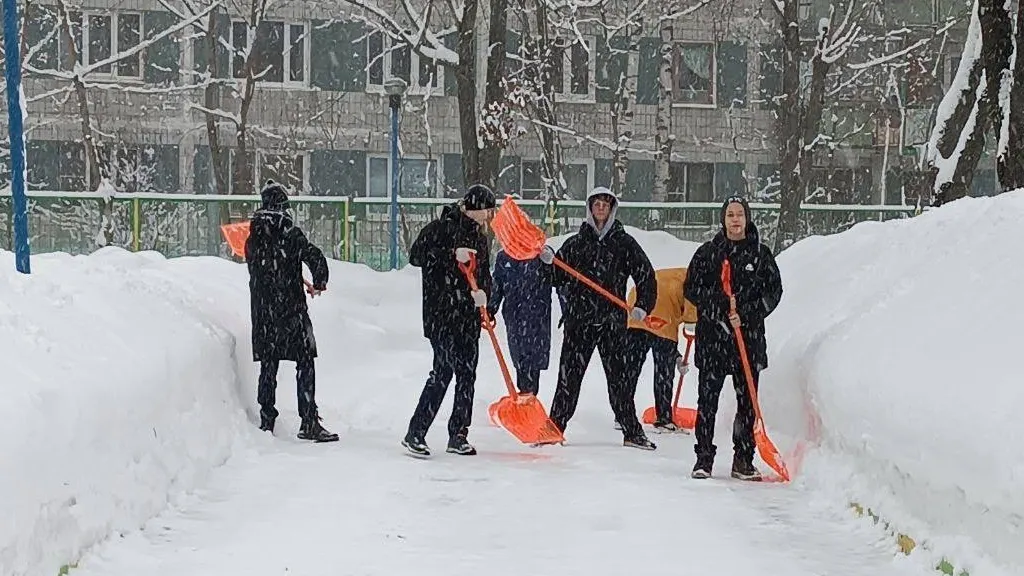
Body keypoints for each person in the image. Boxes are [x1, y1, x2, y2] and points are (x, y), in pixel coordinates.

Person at [548, 186, 658, 450]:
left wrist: (643, 306)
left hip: (612, 322)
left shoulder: (624, 243)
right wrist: (549, 262)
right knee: (568, 378)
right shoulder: (576, 243)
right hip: (580, 321)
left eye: (605, 204)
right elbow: (556, 278)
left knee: (619, 380)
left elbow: (646, 275)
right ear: (589, 208)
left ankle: (632, 431)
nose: (600, 208)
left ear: (611, 209)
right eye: (596, 204)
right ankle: (553, 429)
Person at [684, 195, 783, 481]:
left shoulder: (761, 255)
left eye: (740, 214)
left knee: (747, 404)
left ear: (747, 218)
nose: (735, 219)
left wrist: (747, 313)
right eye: (730, 215)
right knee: (707, 402)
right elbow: (692, 288)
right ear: (723, 219)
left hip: (748, 341)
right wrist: (719, 307)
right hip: (713, 340)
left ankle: (743, 459)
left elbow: (773, 292)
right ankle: (704, 458)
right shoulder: (708, 253)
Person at [402, 184, 496, 458]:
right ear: (474, 209)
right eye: (487, 211)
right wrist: (449, 254)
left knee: (467, 374)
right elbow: (416, 256)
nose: (489, 217)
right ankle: (415, 432)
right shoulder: (439, 229)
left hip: (468, 316)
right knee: (442, 371)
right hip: (441, 315)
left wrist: (485, 300)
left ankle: (458, 434)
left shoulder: (479, 238)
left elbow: (484, 274)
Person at [246, 179, 337, 443]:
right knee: (305, 361)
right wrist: (319, 282)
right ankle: (308, 421)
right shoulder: (290, 234)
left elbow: (264, 270)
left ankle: (267, 419)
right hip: (291, 311)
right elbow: (314, 256)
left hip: (263, 312)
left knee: (268, 364)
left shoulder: (253, 239)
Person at [622, 267, 699, 433]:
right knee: (664, 371)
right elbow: (691, 311)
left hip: (637, 305)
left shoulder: (679, 273)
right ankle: (664, 419)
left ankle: (622, 413)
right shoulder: (697, 279)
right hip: (663, 316)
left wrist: (677, 357)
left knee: (631, 367)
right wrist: (692, 321)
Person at [486, 245, 556, 396]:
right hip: (515, 317)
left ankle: (529, 396)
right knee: (520, 360)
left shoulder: (541, 254)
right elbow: (498, 285)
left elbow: (559, 279)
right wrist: (490, 309)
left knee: (534, 361)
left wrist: (551, 263)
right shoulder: (504, 257)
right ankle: (526, 395)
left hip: (538, 318)